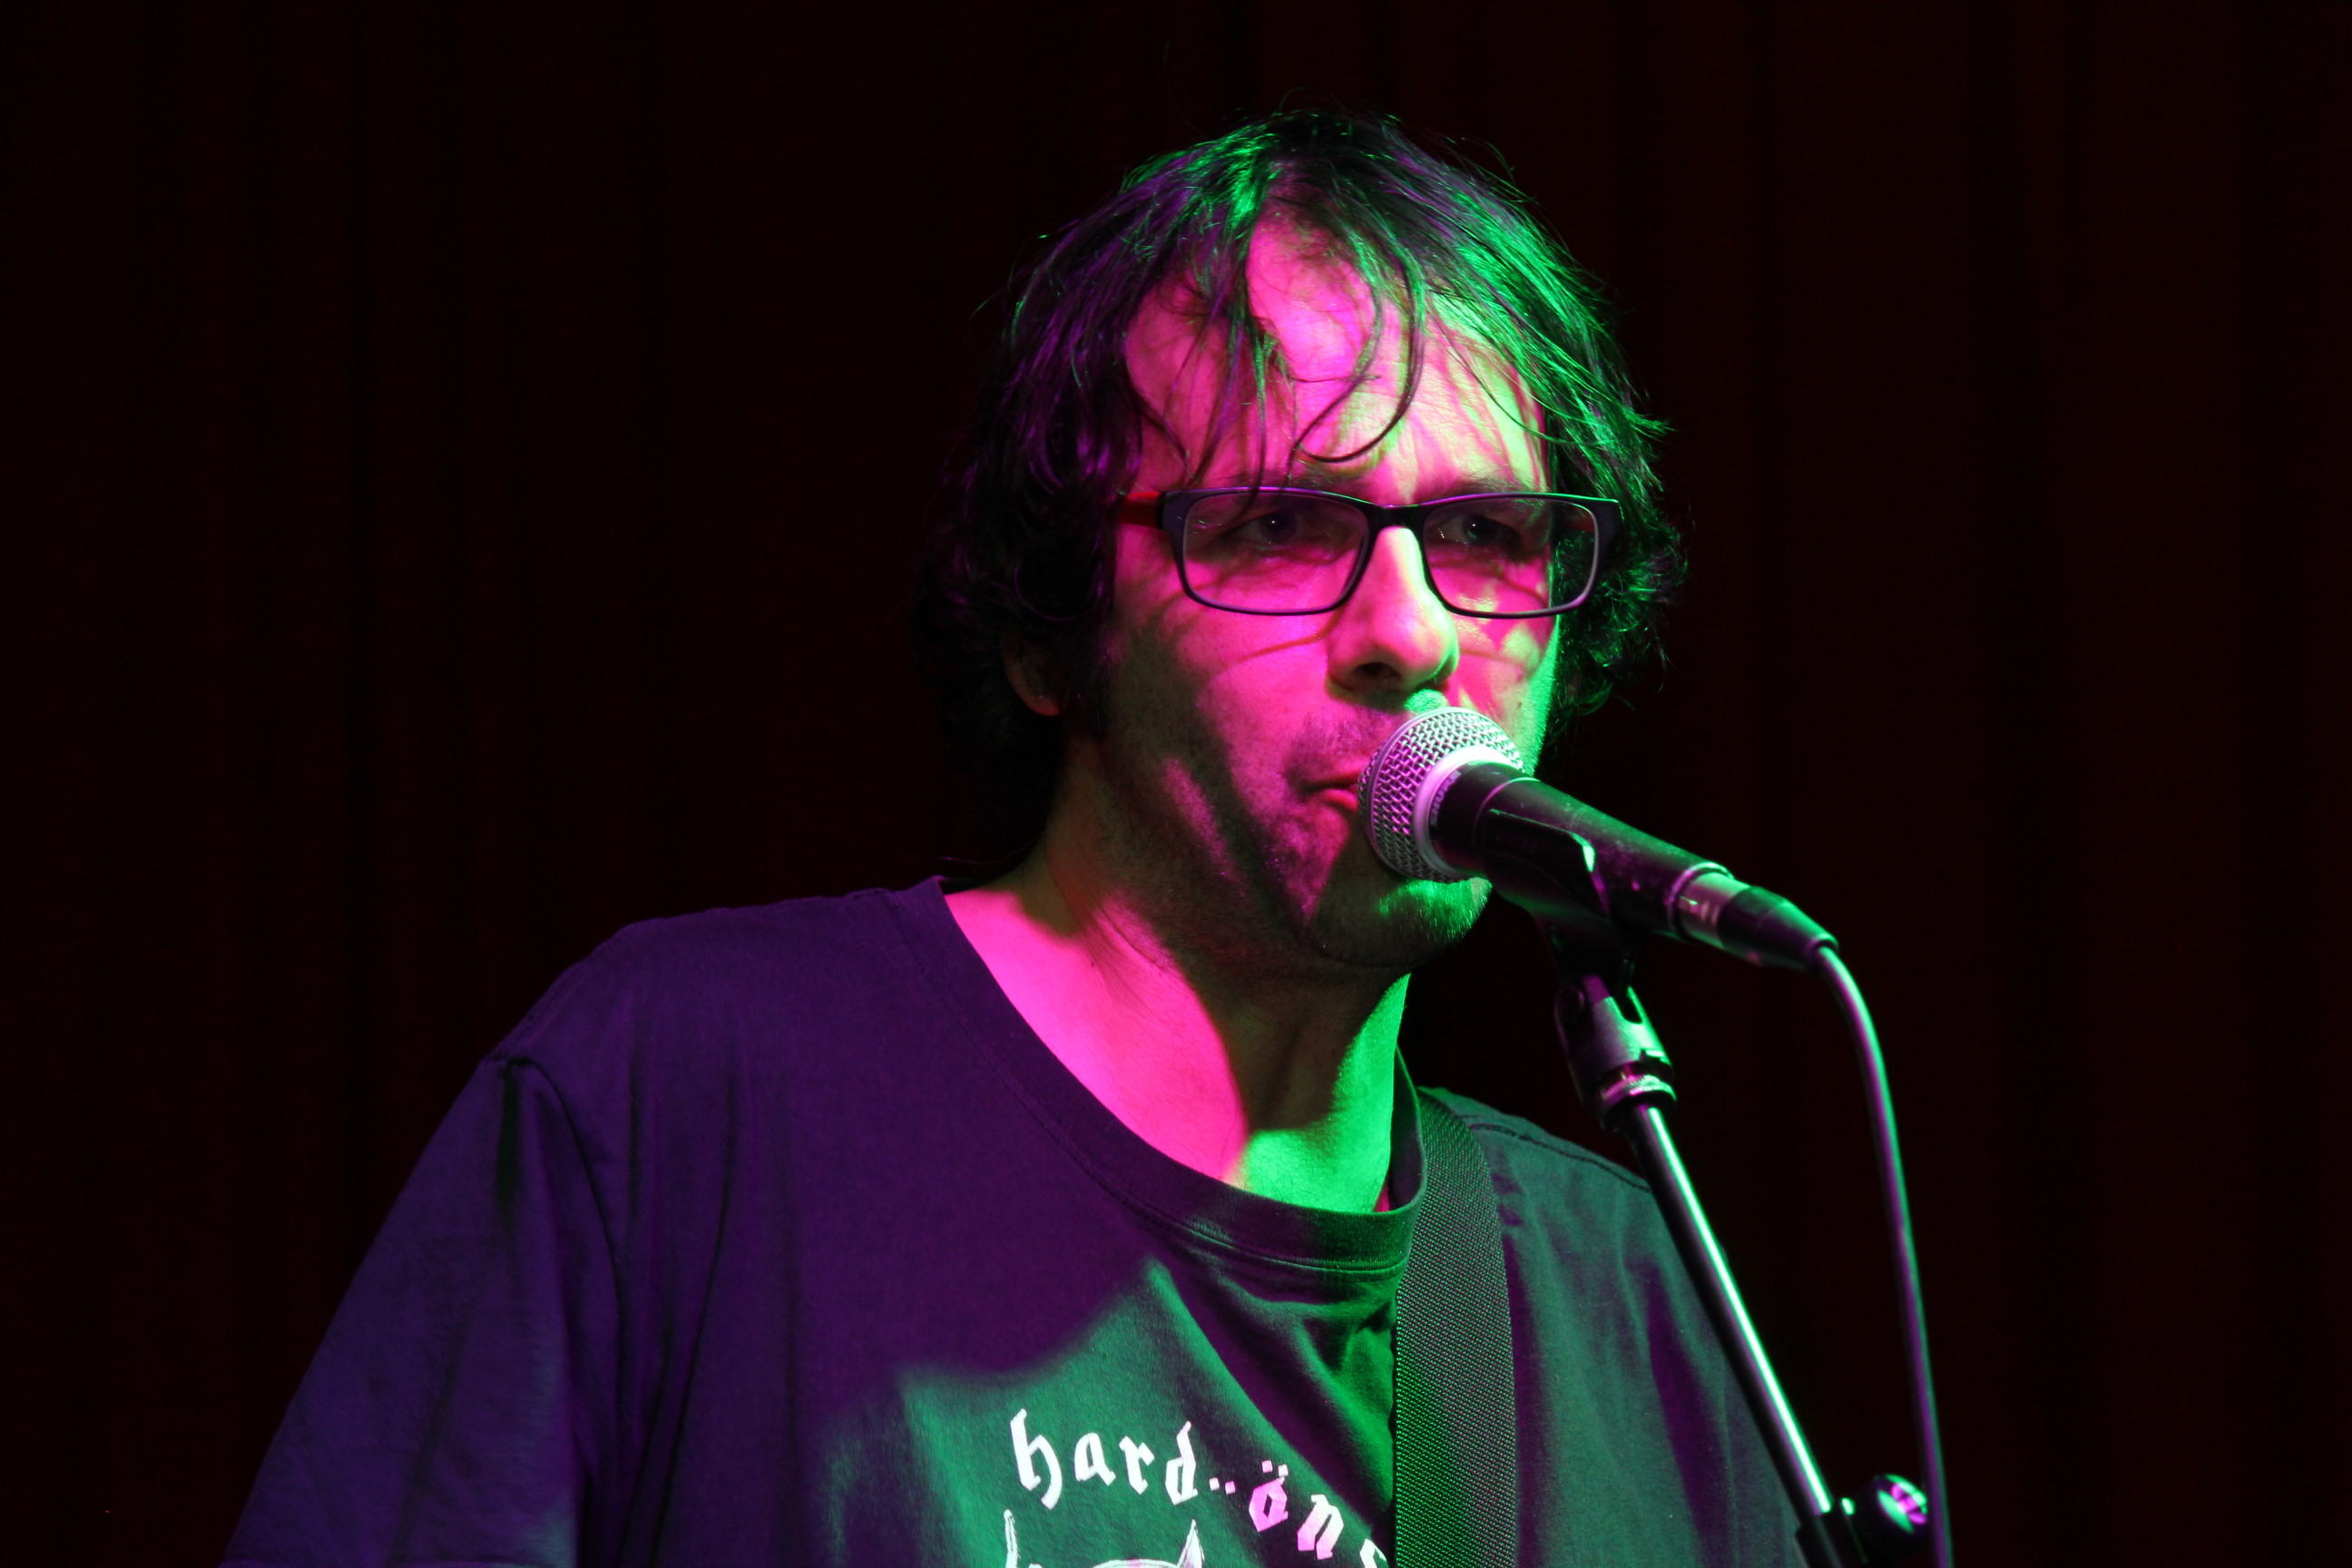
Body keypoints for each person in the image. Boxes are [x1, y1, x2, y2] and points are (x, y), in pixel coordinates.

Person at [223, 112, 1798, 1568]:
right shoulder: (688, 1096)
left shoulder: (1625, 1299)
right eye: (1279, 525)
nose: (1414, 631)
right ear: (1055, 630)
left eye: (1485, 534)